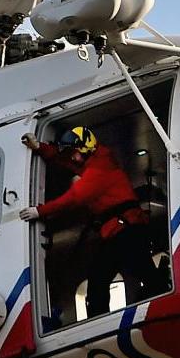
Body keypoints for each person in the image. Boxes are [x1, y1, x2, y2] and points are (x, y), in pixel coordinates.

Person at [21, 126, 158, 322]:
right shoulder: (92, 160)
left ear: (84, 150)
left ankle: (112, 319)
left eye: (75, 153)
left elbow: (74, 198)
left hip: (126, 231)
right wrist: (39, 147)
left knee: (122, 273)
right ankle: (101, 320)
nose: (73, 158)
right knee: (101, 277)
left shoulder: (99, 169)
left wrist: (39, 211)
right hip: (118, 231)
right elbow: (65, 159)